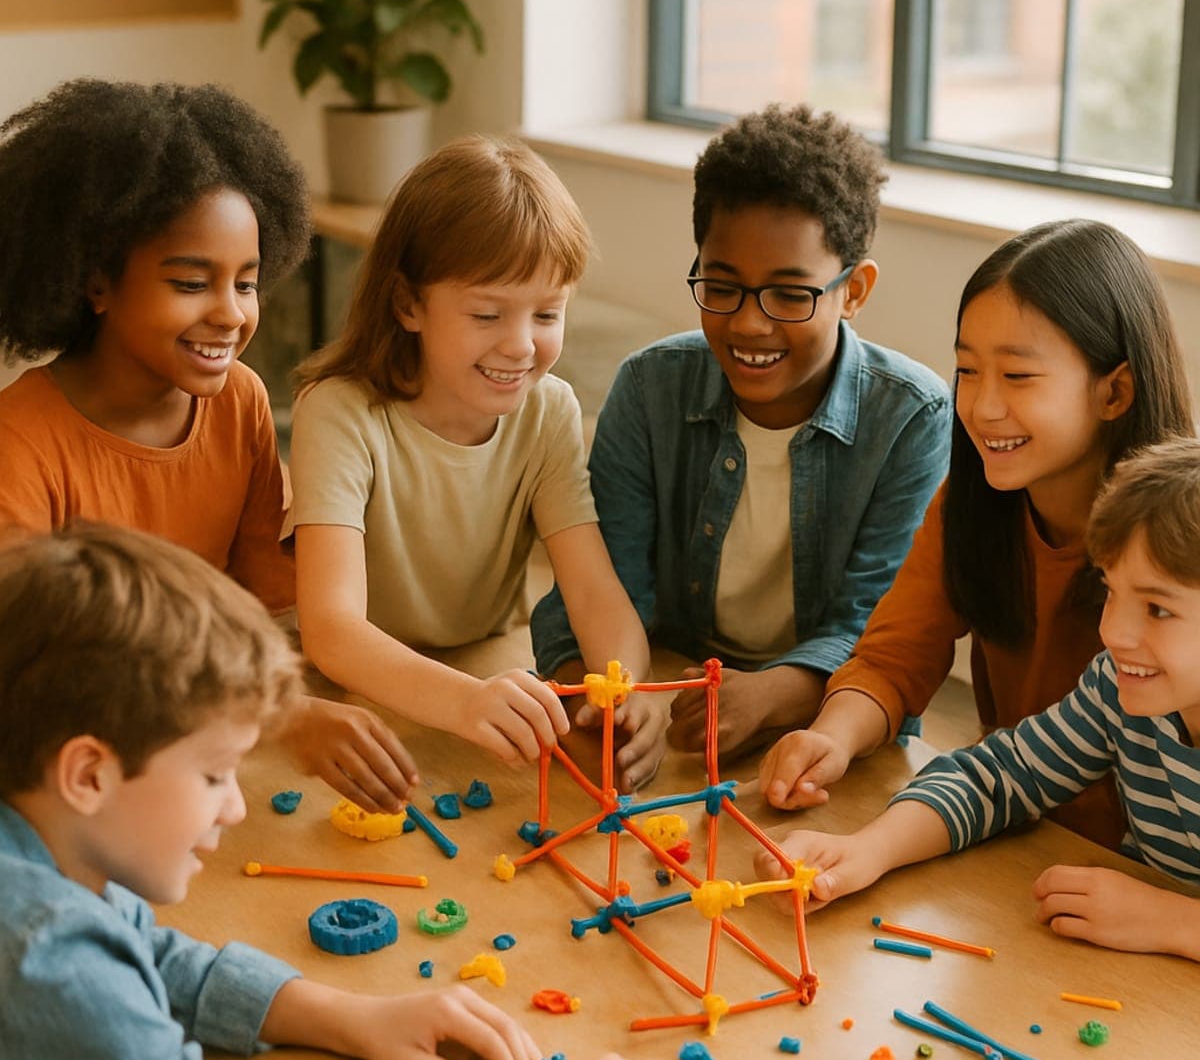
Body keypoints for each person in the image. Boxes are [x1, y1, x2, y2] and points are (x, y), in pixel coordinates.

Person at [0, 523, 671, 1060]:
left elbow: (135, 951)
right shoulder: (42, 954)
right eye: (213, 775)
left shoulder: (45, 845)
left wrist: (350, 1018)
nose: (235, 807)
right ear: (87, 776)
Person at [0, 78, 417, 814]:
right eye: (193, 282)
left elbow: (265, 599)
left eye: (248, 284)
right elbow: (52, 673)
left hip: (217, 753)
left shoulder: (240, 401)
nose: (230, 314)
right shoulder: (21, 440)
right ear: (96, 282)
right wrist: (273, 716)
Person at [532, 104, 951, 762]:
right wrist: (602, 697)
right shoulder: (649, 390)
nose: (751, 325)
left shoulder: (913, 418)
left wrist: (769, 695)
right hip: (668, 702)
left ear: (855, 290)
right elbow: (598, 586)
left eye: (790, 295)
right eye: (722, 286)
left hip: (829, 728)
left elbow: (879, 631)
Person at [759, 219, 1194, 849]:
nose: (983, 407)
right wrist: (831, 737)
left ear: (1115, 390)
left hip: (1146, 871)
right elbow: (896, 657)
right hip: (1009, 825)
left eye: (1017, 377)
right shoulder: (972, 503)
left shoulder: (1180, 545)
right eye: (967, 370)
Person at [287, 134, 666, 793]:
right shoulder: (338, 411)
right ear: (408, 305)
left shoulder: (548, 412)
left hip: (487, 666)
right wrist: (465, 701)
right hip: (362, 694)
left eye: (548, 312)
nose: (521, 345)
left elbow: (595, 593)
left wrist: (626, 690)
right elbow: (331, 631)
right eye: (488, 313)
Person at [758, 439, 1200, 963]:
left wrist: (1174, 921)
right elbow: (996, 777)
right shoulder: (1117, 691)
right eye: (1111, 591)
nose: (1114, 632)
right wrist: (869, 850)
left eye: (1157, 609)